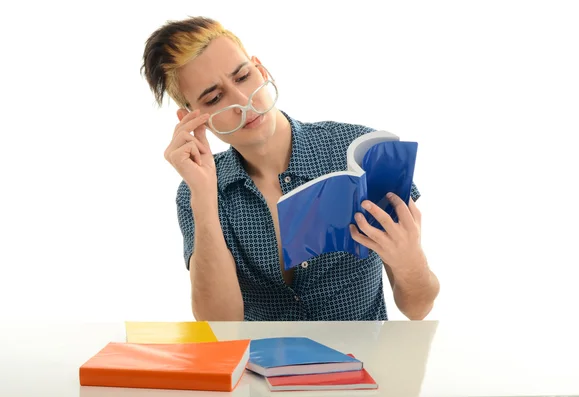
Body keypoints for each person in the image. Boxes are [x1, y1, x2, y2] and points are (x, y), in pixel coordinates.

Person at [140, 16, 440, 322]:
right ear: (191, 117)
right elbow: (220, 326)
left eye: (243, 77)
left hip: (364, 365)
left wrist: (409, 261)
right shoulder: (197, 189)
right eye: (215, 98)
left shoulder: (362, 151)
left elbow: (418, 307)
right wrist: (204, 200)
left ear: (260, 69)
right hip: (260, 369)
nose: (244, 101)